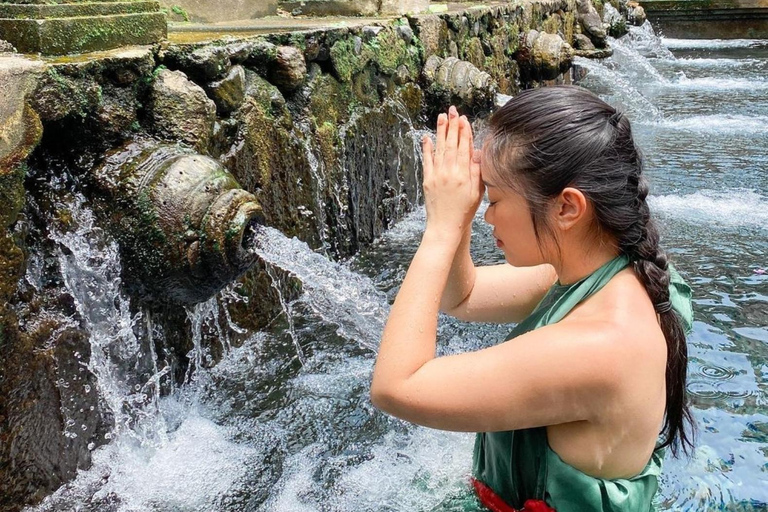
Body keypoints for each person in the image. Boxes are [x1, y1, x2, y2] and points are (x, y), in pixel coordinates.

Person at [370, 85, 694, 512]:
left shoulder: (600, 347)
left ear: (567, 208)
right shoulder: (610, 270)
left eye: (497, 199)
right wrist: (459, 221)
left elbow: (395, 387)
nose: (487, 214)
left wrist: (440, 230)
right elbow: (462, 296)